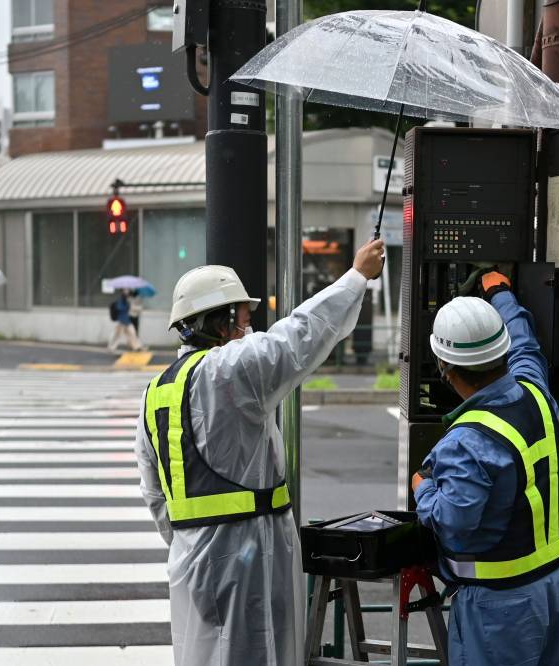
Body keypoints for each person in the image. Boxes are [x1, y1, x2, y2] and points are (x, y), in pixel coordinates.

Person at [135, 238, 384, 666]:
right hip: (247, 551)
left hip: (193, 555)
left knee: (207, 656)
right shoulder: (228, 369)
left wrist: (190, 543)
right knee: (260, 654)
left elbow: (155, 493)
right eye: (244, 319)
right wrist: (356, 276)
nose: (249, 330)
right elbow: (299, 337)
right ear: (221, 321)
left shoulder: (157, 391)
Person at [411, 270, 559, 666]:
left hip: (499, 609)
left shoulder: (466, 442)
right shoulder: (536, 395)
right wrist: (499, 291)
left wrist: (422, 489)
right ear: (501, 352)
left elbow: (453, 521)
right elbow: (526, 345)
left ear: (444, 368)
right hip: (554, 590)